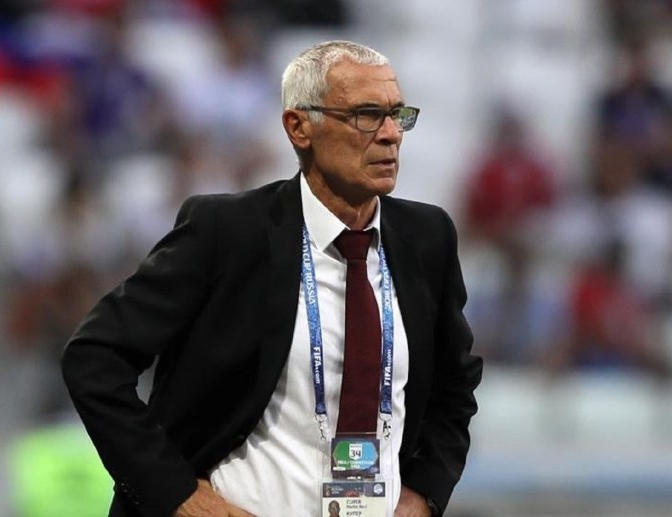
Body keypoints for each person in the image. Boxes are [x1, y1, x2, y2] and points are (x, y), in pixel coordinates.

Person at [61, 40, 483, 517]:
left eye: (396, 115)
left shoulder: (427, 238)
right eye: (366, 115)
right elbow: (94, 358)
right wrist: (177, 496)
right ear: (299, 127)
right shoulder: (226, 233)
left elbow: (455, 386)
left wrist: (425, 492)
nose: (390, 135)